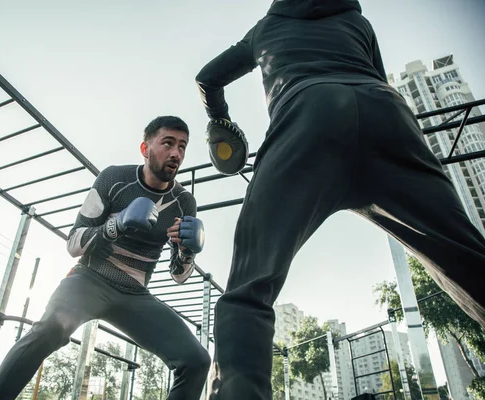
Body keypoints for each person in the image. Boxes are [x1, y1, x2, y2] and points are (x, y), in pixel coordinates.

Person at [195, 0, 485, 398]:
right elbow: (377, 77)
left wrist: (220, 120)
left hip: (307, 116)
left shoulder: (264, 30)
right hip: (387, 115)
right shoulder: (355, 20)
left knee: (250, 285)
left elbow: (207, 77)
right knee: (469, 260)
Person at [0, 116, 210, 399]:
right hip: (89, 279)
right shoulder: (114, 178)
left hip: (135, 294)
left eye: (182, 146)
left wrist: (188, 251)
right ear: (145, 148)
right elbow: (74, 242)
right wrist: (116, 225)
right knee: (49, 329)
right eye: (168, 143)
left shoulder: (185, 202)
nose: (176, 153)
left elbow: (179, 276)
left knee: (197, 360)